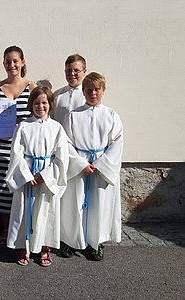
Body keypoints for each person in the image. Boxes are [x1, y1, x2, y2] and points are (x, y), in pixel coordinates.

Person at [61, 72, 123, 261]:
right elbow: (65, 143)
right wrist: (80, 164)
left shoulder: (111, 115)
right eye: (89, 90)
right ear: (83, 91)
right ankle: (71, 241)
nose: (93, 93)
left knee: (100, 206)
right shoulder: (73, 115)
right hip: (79, 169)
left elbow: (117, 143)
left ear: (103, 91)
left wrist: (99, 164)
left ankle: (96, 243)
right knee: (75, 204)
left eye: (97, 89)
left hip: (100, 169)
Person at [5, 86, 69, 266]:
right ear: (30, 105)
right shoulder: (23, 126)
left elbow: (61, 157)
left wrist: (45, 175)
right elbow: (16, 154)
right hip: (27, 176)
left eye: (44, 103)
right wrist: (26, 175)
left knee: (46, 213)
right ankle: (22, 247)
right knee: (24, 212)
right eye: (36, 103)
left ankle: (44, 247)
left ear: (50, 104)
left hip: (46, 177)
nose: (40, 107)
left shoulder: (57, 128)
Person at [0, 46, 36, 244]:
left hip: (23, 148)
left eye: (15, 60)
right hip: (0, 147)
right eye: (8, 61)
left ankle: (23, 227)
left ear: (22, 62)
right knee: (1, 188)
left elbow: (37, 115)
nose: (11, 65)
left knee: (21, 186)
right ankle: (6, 229)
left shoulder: (32, 87)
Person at [52, 54, 87, 125]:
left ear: (84, 72)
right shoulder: (57, 95)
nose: (72, 73)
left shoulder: (89, 95)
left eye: (76, 70)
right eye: (69, 70)